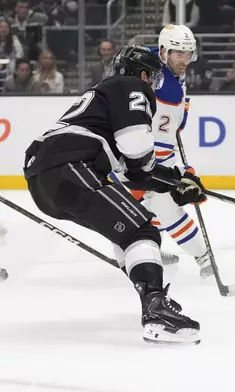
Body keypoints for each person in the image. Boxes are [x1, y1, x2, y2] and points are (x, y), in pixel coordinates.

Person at [23, 45, 206, 345]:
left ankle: (152, 299)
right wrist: (176, 181)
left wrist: (176, 183)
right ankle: (156, 309)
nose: (155, 84)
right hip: (68, 166)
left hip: (49, 177)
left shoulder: (106, 95)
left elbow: (132, 171)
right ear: (143, 74)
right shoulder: (132, 86)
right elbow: (138, 154)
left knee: (129, 233)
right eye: (154, 77)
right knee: (142, 229)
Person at [120, 24, 214, 278]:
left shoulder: (146, 58)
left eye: (188, 54)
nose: (183, 60)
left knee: (148, 206)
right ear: (164, 52)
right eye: (178, 54)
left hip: (124, 146)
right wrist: (181, 174)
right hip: (131, 155)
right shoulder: (169, 92)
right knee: (167, 203)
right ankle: (204, 257)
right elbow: (158, 151)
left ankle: (144, 246)